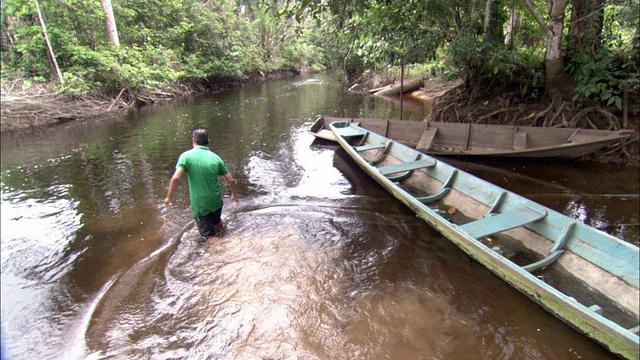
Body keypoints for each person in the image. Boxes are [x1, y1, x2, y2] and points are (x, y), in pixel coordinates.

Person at [164, 128, 239, 243]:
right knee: (217, 223)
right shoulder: (215, 157)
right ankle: (227, 240)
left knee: (209, 237)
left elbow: (176, 177)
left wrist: (169, 197)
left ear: (193, 140)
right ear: (207, 141)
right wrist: (234, 195)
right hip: (216, 200)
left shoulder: (186, 156)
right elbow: (231, 180)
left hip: (201, 204)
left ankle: (222, 252)